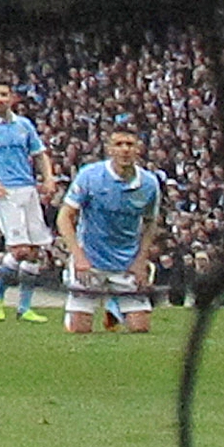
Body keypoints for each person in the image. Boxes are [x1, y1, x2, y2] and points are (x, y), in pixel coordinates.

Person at [56, 127, 162, 335]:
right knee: (79, 330)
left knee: (140, 329)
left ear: (138, 149)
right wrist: (79, 257)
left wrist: (141, 260)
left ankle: (114, 307)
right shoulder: (90, 176)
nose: (124, 150)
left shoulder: (149, 184)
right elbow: (64, 217)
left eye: (129, 144)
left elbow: (151, 223)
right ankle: (87, 311)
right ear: (109, 149)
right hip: (91, 260)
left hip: (126, 262)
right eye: (119, 144)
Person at [0, 79, 56, 323]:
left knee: (34, 251)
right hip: (4, 191)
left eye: (4, 94)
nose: (0, 99)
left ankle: (24, 307)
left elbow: (39, 154)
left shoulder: (23, 125)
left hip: (28, 189)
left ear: (12, 98)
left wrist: (48, 178)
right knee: (19, 249)